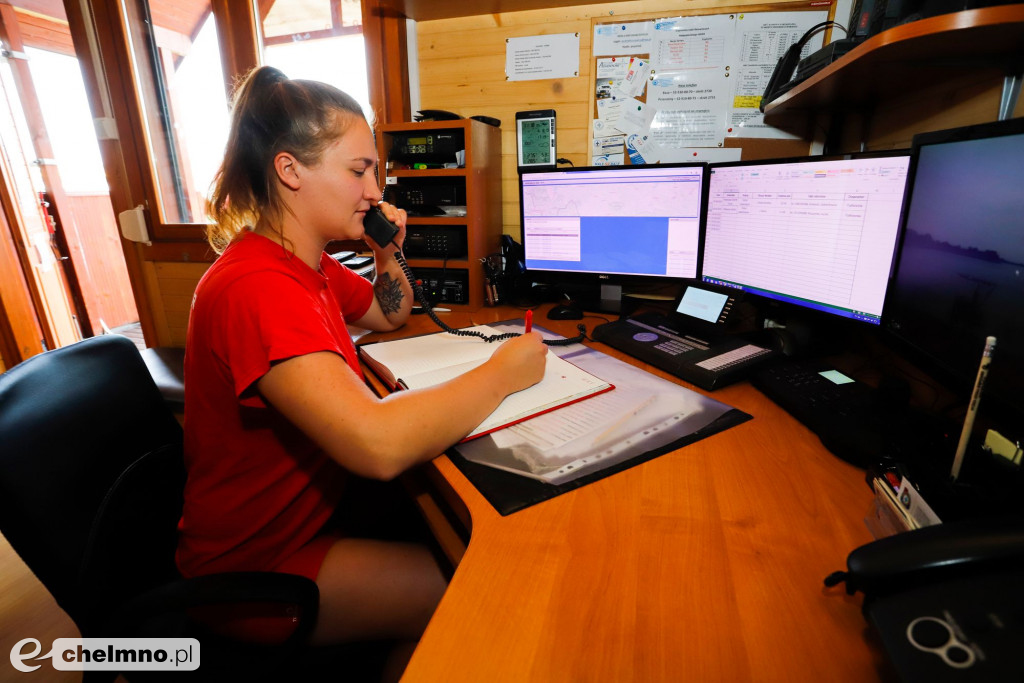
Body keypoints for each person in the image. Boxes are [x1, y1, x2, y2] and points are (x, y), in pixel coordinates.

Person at [177, 65, 547, 669]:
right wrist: (505, 370)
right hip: (256, 568)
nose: (377, 189)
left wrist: (384, 251)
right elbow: (377, 444)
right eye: (359, 171)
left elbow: (387, 313)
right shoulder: (257, 287)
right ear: (290, 170)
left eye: (375, 169)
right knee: (473, 589)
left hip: (307, 521)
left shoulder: (307, 264)